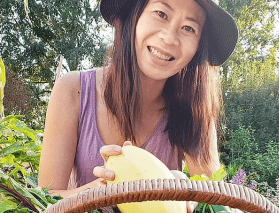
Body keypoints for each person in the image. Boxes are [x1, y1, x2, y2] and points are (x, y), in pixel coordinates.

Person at [38, 0, 238, 212]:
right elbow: (44, 199)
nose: (169, 38)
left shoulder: (193, 110)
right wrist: (99, 194)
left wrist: (185, 190)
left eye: (189, 28)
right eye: (161, 14)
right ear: (134, 16)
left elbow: (216, 201)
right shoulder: (73, 91)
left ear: (199, 47)